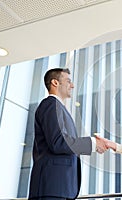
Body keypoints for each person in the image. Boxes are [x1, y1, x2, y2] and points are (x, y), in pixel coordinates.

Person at [28, 68, 107, 200]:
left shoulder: (58, 107)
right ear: (55, 83)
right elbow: (59, 142)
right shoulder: (51, 104)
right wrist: (93, 143)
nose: (73, 85)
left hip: (59, 188)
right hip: (52, 188)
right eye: (68, 81)